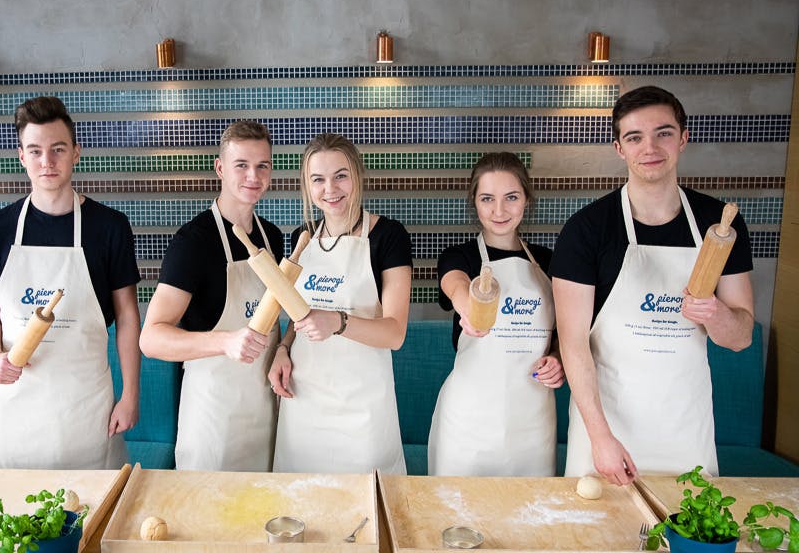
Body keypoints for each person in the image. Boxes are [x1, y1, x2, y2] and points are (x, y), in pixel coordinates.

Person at [551, 85, 754, 484]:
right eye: (634, 137)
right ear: (618, 148)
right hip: (608, 426)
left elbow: (740, 337)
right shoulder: (586, 230)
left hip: (686, 426)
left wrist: (715, 313)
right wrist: (600, 436)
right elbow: (573, 345)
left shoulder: (721, 224)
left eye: (663, 133)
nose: (650, 147)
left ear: (683, 138)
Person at [0, 96, 141, 470]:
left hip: (85, 404)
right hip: (16, 407)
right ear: (21, 157)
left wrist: (130, 395)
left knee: (93, 513)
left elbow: (128, 317)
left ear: (76, 153)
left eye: (57, 149)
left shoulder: (109, 227)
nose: (46, 162)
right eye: (35, 151)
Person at [140, 121, 283, 471]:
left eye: (262, 165)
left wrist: (283, 349)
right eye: (241, 165)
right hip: (213, 422)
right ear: (220, 168)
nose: (254, 175)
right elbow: (151, 338)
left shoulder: (273, 238)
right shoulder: (193, 243)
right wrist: (225, 342)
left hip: (265, 411)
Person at [268, 133, 410, 474]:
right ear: (307, 185)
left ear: (357, 176)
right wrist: (284, 348)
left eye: (340, 176)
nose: (330, 189)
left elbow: (394, 334)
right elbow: (298, 314)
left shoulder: (388, 236)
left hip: (362, 409)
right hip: (304, 400)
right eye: (318, 179)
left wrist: (338, 322)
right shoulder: (302, 237)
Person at [427, 152, 564, 476]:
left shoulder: (550, 262)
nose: (499, 210)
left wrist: (558, 359)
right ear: (474, 201)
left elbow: (565, 330)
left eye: (511, 197)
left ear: (526, 199)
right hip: (469, 420)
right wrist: (470, 310)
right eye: (487, 198)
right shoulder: (458, 256)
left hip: (533, 421)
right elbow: (456, 285)